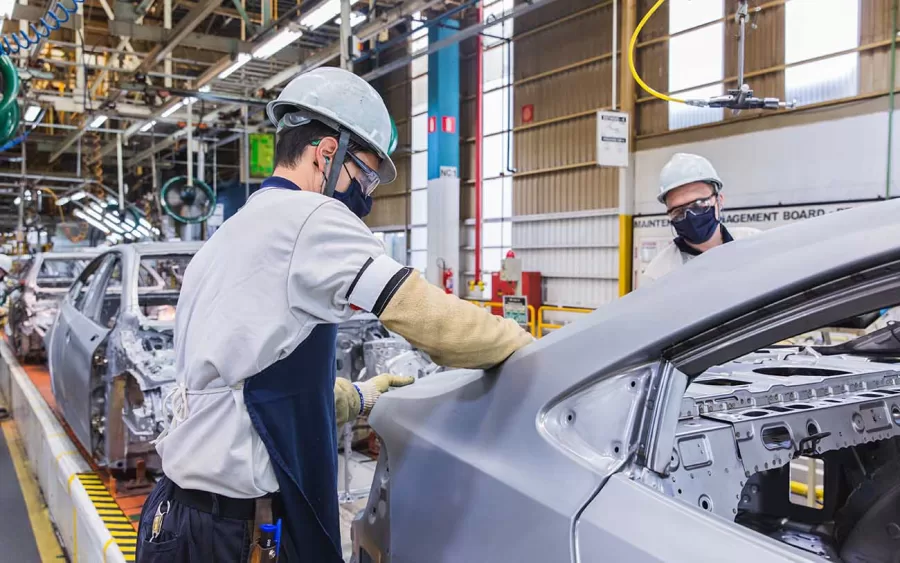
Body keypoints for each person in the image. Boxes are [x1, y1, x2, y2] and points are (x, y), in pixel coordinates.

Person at [136, 67, 533, 563]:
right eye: (364, 174)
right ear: (327, 153)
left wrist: (360, 397)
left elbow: (248, 385)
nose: (366, 194)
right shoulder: (311, 217)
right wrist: (531, 350)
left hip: (176, 518)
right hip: (234, 532)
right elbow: (428, 317)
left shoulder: (234, 233)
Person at [640, 153, 760, 284]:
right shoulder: (659, 274)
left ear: (719, 201)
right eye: (678, 211)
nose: (690, 216)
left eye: (698, 204)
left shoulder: (756, 244)